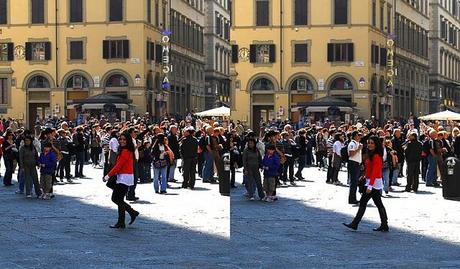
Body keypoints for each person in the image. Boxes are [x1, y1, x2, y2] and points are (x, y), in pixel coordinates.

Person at [343, 136, 389, 232]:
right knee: (378, 203)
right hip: (371, 181)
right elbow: (370, 169)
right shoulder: (371, 154)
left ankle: (355, 223)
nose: (369, 145)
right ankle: (384, 224)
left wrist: (370, 185)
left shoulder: (376, 156)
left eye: (372, 143)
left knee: (365, 203)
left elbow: (376, 171)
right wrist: (364, 175)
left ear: (376, 144)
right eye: (369, 143)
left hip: (373, 182)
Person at [103, 132, 139, 229]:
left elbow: (118, 166)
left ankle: (130, 214)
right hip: (124, 177)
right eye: (121, 139)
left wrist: (107, 176)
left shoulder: (126, 151)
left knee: (116, 199)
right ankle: (123, 220)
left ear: (128, 141)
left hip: (124, 177)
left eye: (124, 139)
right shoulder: (125, 150)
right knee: (119, 199)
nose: (122, 141)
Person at [347, 131, 363, 204]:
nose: (359, 136)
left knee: (355, 182)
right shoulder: (352, 144)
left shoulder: (357, 143)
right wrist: (359, 149)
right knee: (353, 182)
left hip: (357, 163)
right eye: (358, 135)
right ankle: (352, 199)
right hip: (353, 164)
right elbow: (351, 154)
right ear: (354, 136)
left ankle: (354, 198)